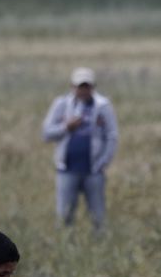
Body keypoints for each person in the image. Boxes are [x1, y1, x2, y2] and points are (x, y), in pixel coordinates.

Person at [41, 67, 119, 231]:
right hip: (67, 170)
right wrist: (66, 127)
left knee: (98, 216)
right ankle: (66, 246)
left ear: (93, 87)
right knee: (64, 216)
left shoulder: (103, 106)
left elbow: (112, 136)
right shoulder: (61, 104)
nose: (83, 90)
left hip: (94, 171)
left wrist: (103, 162)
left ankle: (99, 246)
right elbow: (46, 133)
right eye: (80, 86)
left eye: (87, 86)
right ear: (72, 86)